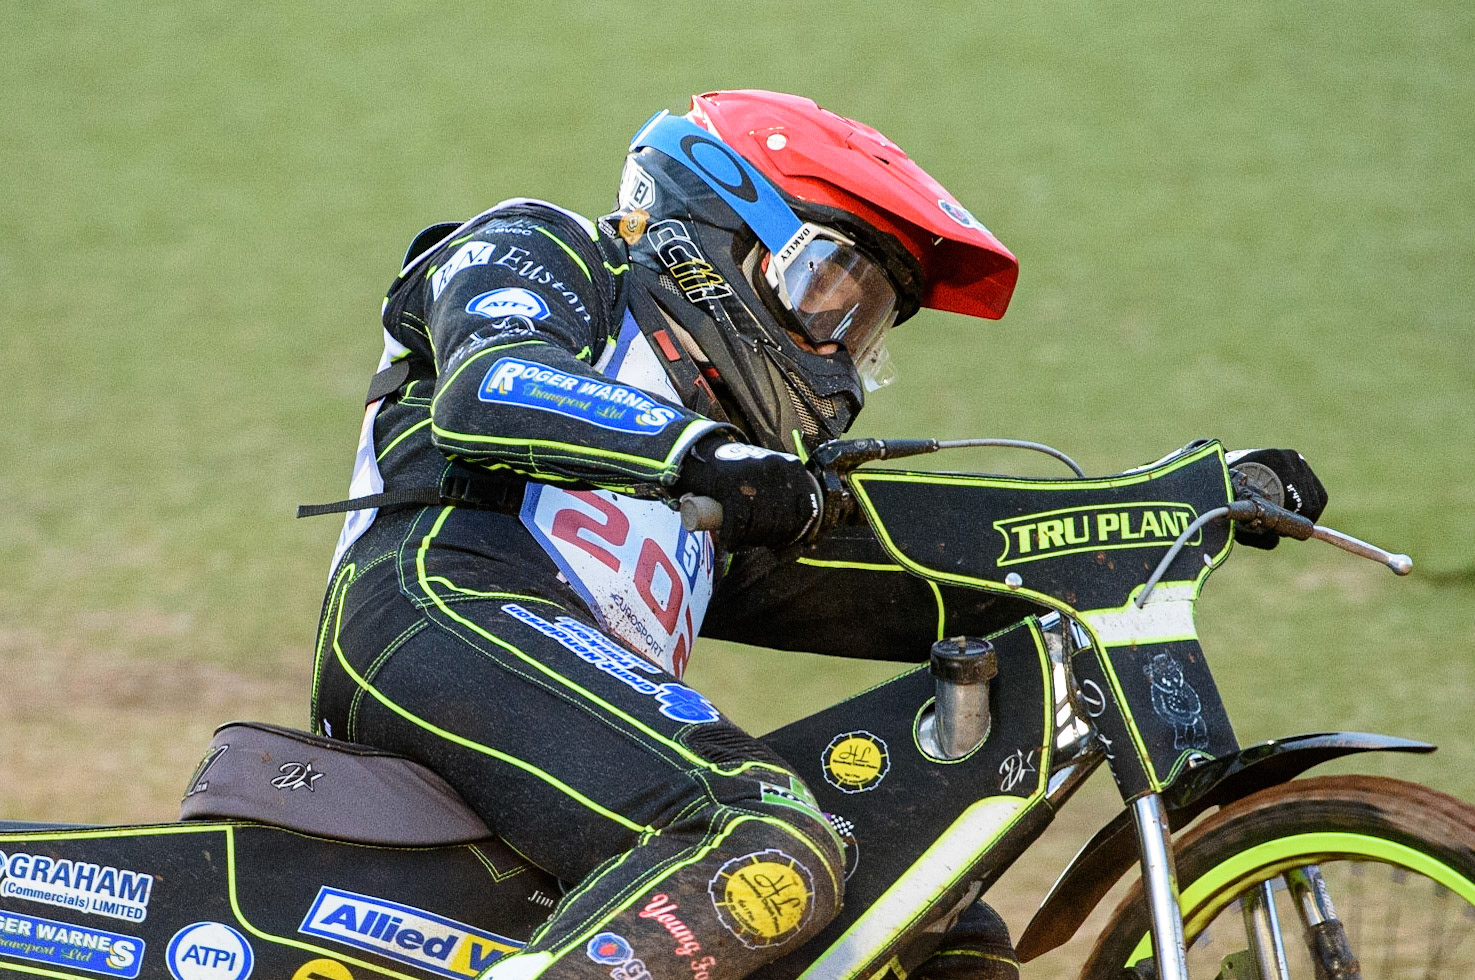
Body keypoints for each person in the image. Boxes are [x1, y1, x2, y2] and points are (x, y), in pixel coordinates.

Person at [306, 90, 1326, 980]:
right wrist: (701, 455)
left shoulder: (739, 477)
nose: (840, 347)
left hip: (565, 690)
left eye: (869, 320)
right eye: (826, 282)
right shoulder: (546, 244)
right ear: (713, 229)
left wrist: (1162, 510)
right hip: (433, 605)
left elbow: (905, 567)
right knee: (762, 833)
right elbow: (488, 387)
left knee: (937, 919)